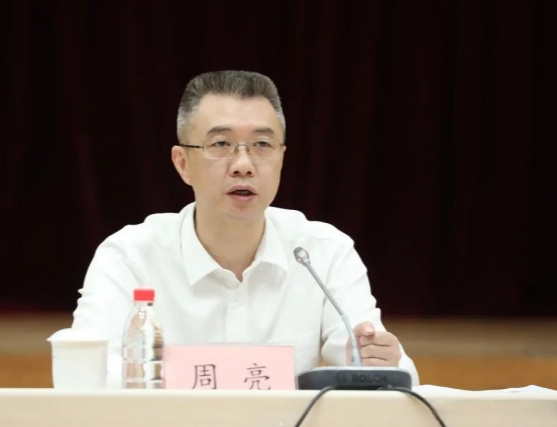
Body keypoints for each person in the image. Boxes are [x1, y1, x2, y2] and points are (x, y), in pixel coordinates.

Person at [72, 70, 419, 387]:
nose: (243, 165)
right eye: (221, 144)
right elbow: (86, 376)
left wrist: (383, 363)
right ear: (182, 163)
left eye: (262, 145)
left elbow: (388, 375)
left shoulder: (323, 252)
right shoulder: (129, 258)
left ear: (281, 157)